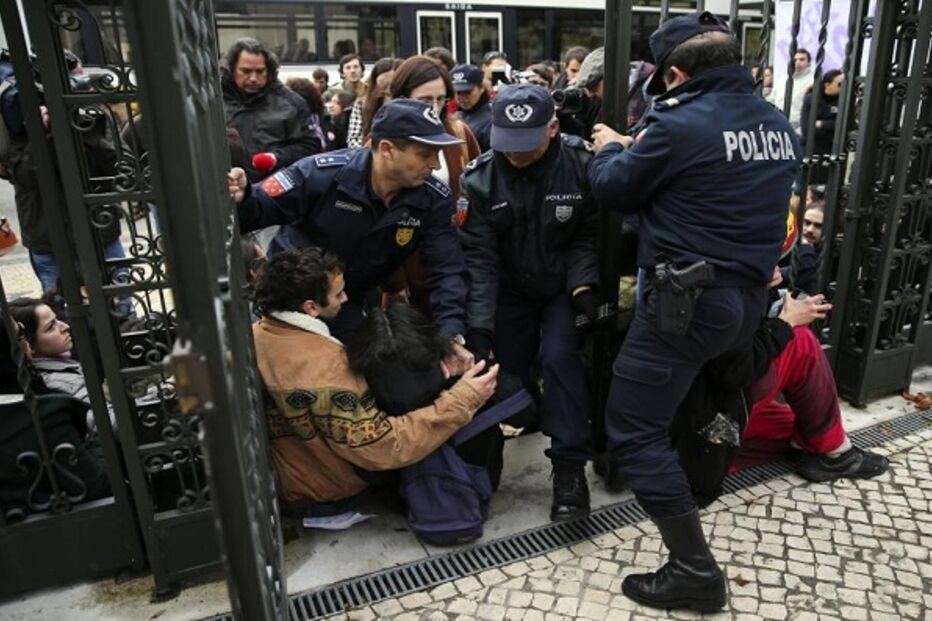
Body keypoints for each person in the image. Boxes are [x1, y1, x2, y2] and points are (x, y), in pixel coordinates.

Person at [588, 11, 800, 612]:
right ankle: (694, 504)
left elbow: (616, 189)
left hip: (687, 302)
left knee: (633, 427)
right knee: (671, 406)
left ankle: (694, 570)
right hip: (745, 300)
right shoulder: (777, 124)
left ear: (675, 74)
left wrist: (609, 148)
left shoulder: (677, 123)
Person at [251, 247, 497, 515]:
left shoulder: (259, 334)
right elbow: (383, 447)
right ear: (310, 307)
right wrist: (462, 399)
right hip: (328, 494)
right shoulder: (328, 367)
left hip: (296, 475)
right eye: (338, 294)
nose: (346, 298)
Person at [227, 98, 472, 352]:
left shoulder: (432, 198)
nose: (435, 165)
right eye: (425, 154)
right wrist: (244, 195)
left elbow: (447, 268)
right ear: (387, 149)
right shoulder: (320, 175)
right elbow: (258, 210)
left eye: (437, 154)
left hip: (348, 301)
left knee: (375, 369)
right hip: (290, 301)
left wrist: (451, 334)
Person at [459, 83, 599, 522]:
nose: (515, 155)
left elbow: (588, 235)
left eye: (527, 145)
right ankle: (516, 432)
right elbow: (478, 259)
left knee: (561, 359)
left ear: (553, 128)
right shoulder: (479, 178)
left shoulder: (580, 165)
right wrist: (478, 327)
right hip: (509, 290)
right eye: (508, 145)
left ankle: (569, 468)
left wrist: (584, 288)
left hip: (562, 288)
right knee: (505, 371)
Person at [377, 56, 482, 316]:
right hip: (405, 256)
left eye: (441, 99)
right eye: (425, 100)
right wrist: (395, 283)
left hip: (455, 250)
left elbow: (478, 188)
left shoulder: (459, 133)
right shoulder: (383, 141)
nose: (434, 108)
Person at [221, 38, 320, 183]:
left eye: (260, 71)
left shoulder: (291, 104)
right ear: (232, 69)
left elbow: (310, 147)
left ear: (269, 70)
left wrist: (277, 158)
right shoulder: (214, 101)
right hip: (227, 190)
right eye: (246, 71)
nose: (253, 78)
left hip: (274, 194)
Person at [800, 69, 842, 185]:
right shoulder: (811, 99)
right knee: (805, 187)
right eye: (839, 84)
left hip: (831, 149)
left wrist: (822, 124)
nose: (843, 87)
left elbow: (844, 125)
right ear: (827, 84)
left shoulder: (843, 101)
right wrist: (831, 127)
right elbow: (807, 128)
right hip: (811, 149)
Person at [769, 48, 815, 135]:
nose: (797, 62)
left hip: (798, 131)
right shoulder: (783, 79)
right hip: (777, 127)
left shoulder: (813, 81)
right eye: (795, 59)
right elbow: (772, 100)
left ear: (809, 63)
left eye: (802, 59)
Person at [452, 64, 492, 152]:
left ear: (481, 88)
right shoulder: (455, 116)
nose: (462, 97)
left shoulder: (492, 120)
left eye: (467, 92)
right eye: (458, 92)